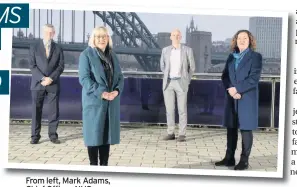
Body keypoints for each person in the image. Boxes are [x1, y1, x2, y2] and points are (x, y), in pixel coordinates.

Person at [215, 30, 263, 170]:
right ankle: (229, 158)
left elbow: (254, 78)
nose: (242, 40)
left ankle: (244, 161)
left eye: (245, 38)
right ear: (235, 41)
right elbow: (225, 76)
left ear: (250, 40)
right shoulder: (231, 57)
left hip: (246, 97)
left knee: (246, 129)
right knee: (231, 128)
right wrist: (231, 89)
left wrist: (238, 89)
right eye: (239, 38)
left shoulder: (255, 57)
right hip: (232, 97)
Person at [78, 26, 124, 166]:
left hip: (111, 102)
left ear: (108, 38)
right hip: (95, 101)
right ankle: (93, 168)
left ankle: (104, 167)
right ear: (93, 39)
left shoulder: (113, 55)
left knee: (106, 137)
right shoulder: (86, 54)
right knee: (93, 136)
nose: (102, 39)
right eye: (98, 36)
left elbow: (120, 77)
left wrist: (116, 91)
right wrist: (102, 93)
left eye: (104, 36)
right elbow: (84, 79)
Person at [29, 24, 64, 144]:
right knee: (36, 110)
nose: (49, 35)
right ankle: (35, 136)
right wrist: (42, 78)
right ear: (43, 32)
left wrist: (51, 79)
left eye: (51, 33)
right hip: (38, 84)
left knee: (54, 111)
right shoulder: (34, 47)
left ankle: (53, 135)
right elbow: (32, 66)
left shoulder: (58, 48)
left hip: (53, 84)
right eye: (47, 32)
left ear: (54, 33)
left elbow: (60, 66)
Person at [160, 29, 195, 142]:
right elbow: (162, 66)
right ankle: (170, 133)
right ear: (171, 37)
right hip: (168, 83)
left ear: (181, 37)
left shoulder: (188, 50)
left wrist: (187, 80)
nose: (176, 37)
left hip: (181, 82)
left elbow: (192, 68)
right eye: (174, 35)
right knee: (169, 110)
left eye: (178, 35)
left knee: (182, 110)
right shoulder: (165, 50)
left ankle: (182, 134)